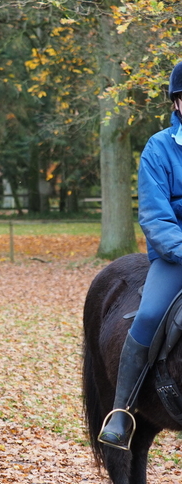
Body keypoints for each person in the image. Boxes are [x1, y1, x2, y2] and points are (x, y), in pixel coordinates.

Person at [98, 61, 182, 449]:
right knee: (148, 314)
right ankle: (123, 411)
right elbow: (155, 215)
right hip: (174, 255)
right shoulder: (159, 148)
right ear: (177, 103)